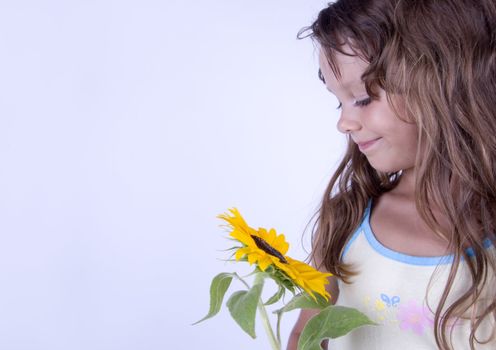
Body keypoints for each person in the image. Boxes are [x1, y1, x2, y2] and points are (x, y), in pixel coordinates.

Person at [288, 0, 496, 349]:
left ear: (447, 84)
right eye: (339, 101)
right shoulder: (347, 220)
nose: (344, 122)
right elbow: (304, 337)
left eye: (363, 99)